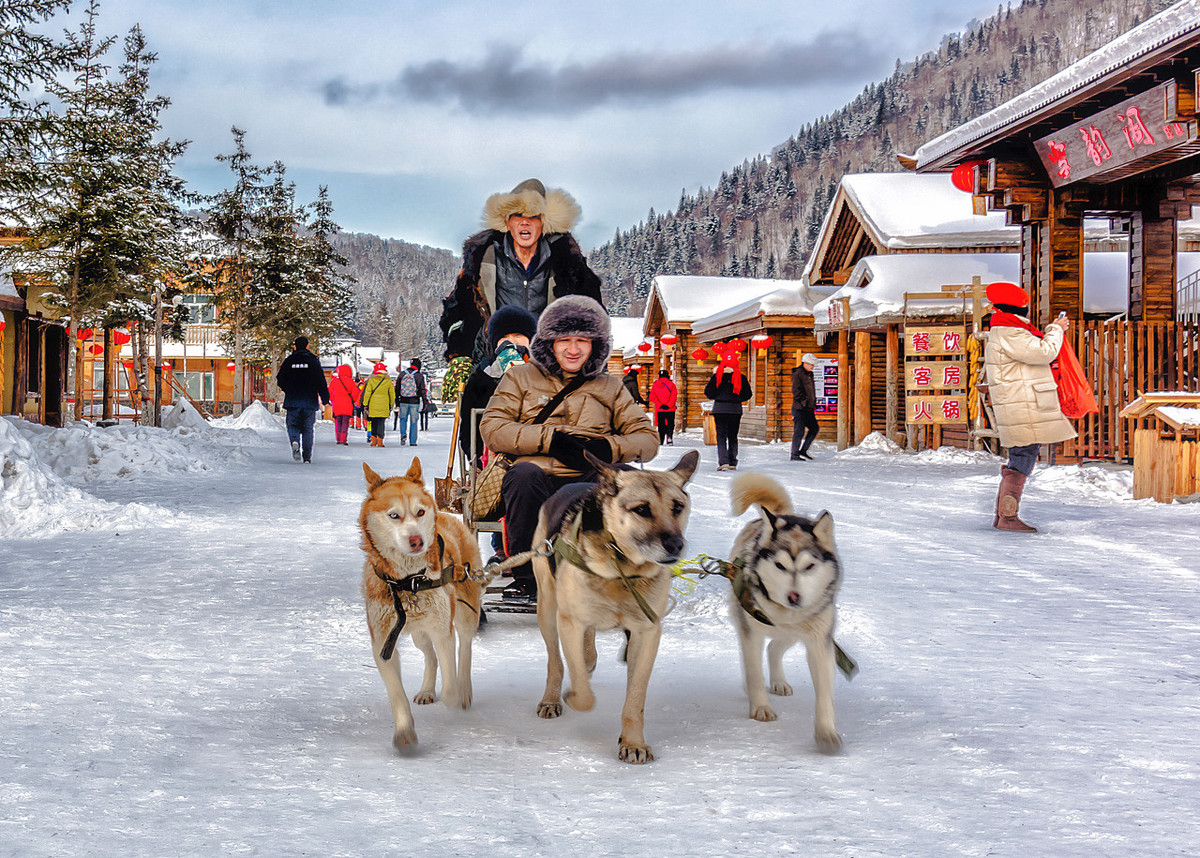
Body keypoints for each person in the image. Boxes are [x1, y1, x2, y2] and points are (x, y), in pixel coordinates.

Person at [480, 296, 659, 605]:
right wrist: (550, 440)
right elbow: (493, 428)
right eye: (564, 340)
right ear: (549, 342)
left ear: (596, 346)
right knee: (522, 476)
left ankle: (609, 570)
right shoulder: (519, 378)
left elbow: (647, 439)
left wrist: (608, 446)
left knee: (625, 481)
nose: (573, 349)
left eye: (582, 341)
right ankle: (529, 578)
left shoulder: (610, 387)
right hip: (536, 472)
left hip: (590, 473)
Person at [439, 178, 604, 364]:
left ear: (543, 224)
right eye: (517, 215)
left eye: (533, 216)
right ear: (507, 223)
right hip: (494, 362)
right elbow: (456, 313)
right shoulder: (482, 261)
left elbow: (594, 317)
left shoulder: (569, 266)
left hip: (550, 365)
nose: (525, 222)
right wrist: (460, 355)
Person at [983, 281, 1076, 533]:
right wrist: (1056, 329)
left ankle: (1004, 514)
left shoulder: (1007, 329)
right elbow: (1044, 352)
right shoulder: (1010, 332)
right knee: (1023, 455)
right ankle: (1007, 517)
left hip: (1021, 402)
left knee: (1023, 454)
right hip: (1021, 404)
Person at [458, 305, 538, 464]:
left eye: (518, 335)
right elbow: (468, 427)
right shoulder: (482, 375)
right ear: (495, 343)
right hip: (494, 459)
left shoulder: (544, 372)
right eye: (505, 337)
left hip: (536, 454)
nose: (511, 342)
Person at [275, 336, 329, 464]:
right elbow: (320, 381)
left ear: (294, 347)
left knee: (292, 425)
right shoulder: (313, 361)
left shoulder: (289, 360)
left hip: (293, 400)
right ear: (307, 346)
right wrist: (325, 398)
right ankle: (307, 457)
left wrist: (289, 389)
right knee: (308, 429)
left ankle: (294, 441)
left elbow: (280, 379)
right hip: (309, 401)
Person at [704, 349, 752, 471]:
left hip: (720, 409)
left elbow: (708, 393)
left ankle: (723, 461)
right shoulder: (741, 377)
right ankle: (732, 461)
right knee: (733, 436)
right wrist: (737, 398)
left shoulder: (717, 376)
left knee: (721, 436)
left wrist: (718, 396)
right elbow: (748, 394)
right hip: (735, 409)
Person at [790, 353, 820, 461]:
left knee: (814, 428)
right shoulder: (798, 374)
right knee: (799, 431)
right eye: (811, 364)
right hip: (800, 408)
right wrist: (804, 402)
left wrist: (812, 403)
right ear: (805, 363)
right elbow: (796, 391)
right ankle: (794, 454)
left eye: (813, 365)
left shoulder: (809, 374)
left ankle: (803, 451)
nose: (813, 366)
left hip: (808, 408)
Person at [361, 362, 395, 447]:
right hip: (384, 404)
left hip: (373, 404)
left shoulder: (371, 380)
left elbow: (367, 393)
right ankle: (380, 441)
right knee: (381, 423)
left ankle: (373, 441)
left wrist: (365, 404)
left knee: (373, 422)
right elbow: (392, 394)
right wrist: (391, 403)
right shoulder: (388, 380)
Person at [395, 359, 427, 446]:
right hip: (414, 402)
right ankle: (413, 441)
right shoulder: (419, 375)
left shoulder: (402, 374)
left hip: (403, 400)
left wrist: (397, 402)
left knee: (403, 419)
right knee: (414, 422)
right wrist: (424, 402)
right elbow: (423, 390)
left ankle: (403, 435)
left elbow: (397, 389)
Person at [328, 363, 360, 446]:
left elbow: (330, 392)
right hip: (347, 405)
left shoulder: (334, 381)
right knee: (345, 422)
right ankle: (343, 439)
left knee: (338, 421)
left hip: (337, 405)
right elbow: (355, 393)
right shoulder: (351, 382)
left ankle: (338, 439)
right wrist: (354, 400)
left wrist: (332, 400)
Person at [649, 369, 678, 445]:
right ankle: (669, 437)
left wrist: (660, 404)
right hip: (670, 409)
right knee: (670, 424)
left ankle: (661, 439)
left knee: (661, 425)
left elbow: (652, 396)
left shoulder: (655, 385)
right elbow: (674, 396)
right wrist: (669, 405)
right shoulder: (672, 385)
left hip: (660, 409)